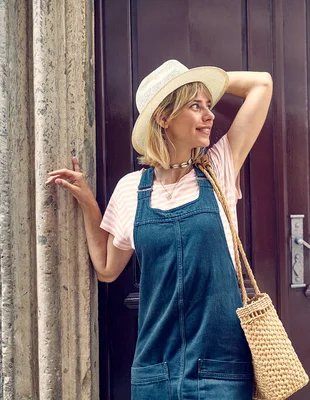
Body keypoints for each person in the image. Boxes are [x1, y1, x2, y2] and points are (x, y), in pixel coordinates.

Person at [46, 60, 273, 399]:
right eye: (196, 106)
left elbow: (262, 85)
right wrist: (88, 203)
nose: (209, 115)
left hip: (221, 367)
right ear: (163, 117)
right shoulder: (131, 189)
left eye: (208, 105)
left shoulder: (219, 168)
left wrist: (197, 82)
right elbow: (107, 269)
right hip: (156, 370)